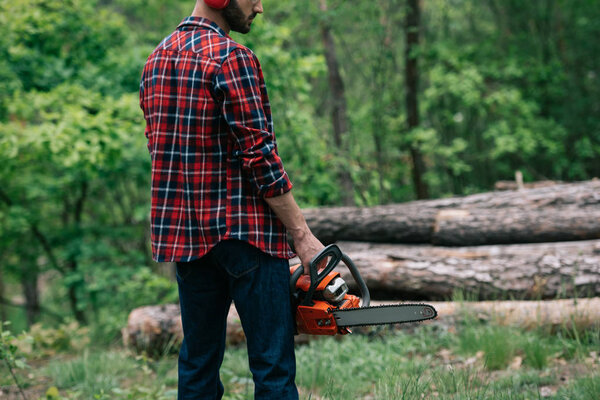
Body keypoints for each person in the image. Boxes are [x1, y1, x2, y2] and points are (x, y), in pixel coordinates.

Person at [139, 0, 324, 399]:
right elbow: (259, 155)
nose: (259, 7)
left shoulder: (155, 60)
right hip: (247, 237)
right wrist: (302, 234)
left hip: (188, 242)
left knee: (198, 366)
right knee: (272, 368)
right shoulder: (230, 57)